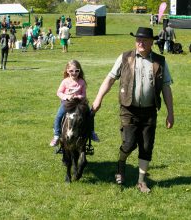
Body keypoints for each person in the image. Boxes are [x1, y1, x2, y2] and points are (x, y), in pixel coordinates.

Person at [92, 27, 174, 193]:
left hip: (150, 111)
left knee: (146, 146)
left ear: (152, 42)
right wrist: (98, 99)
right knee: (129, 143)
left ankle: (141, 181)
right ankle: (121, 164)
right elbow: (110, 79)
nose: (140, 43)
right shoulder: (124, 58)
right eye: (138, 40)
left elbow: (166, 88)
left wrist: (170, 113)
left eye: (144, 40)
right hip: (128, 109)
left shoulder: (160, 61)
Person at [50, 60, 99, 147]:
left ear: (80, 71)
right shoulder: (65, 81)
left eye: (77, 71)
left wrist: (79, 97)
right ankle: (57, 135)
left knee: (90, 114)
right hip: (67, 102)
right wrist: (67, 97)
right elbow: (59, 92)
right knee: (59, 116)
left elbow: (83, 94)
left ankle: (91, 132)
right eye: (71, 71)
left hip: (79, 103)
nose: (74, 73)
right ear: (67, 71)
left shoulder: (82, 82)